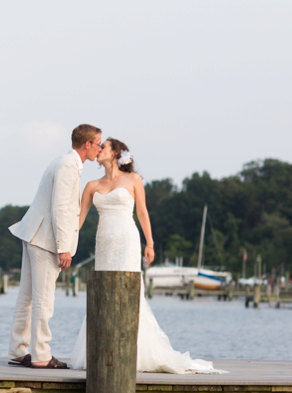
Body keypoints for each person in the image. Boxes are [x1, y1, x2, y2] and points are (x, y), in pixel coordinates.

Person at [69, 137, 226, 374]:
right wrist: (65, 243)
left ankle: (133, 350)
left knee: (129, 292)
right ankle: (103, 349)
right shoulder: (91, 185)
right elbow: (78, 220)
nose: (99, 150)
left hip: (127, 241)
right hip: (104, 242)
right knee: (104, 293)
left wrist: (150, 243)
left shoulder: (133, 180)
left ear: (115, 153)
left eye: (104, 147)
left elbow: (142, 212)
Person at [7, 124, 103, 368]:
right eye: (98, 143)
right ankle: (41, 355)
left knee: (27, 297)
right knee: (43, 299)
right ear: (87, 144)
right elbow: (60, 208)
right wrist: (64, 247)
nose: (100, 148)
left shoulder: (62, 162)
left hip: (34, 234)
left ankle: (18, 350)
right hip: (46, 240)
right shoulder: (69, 167)